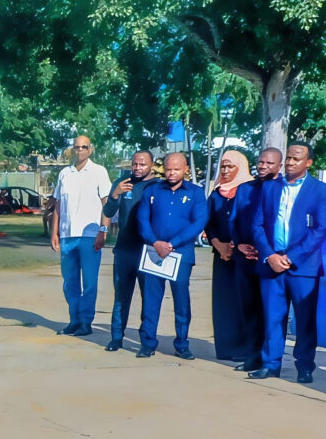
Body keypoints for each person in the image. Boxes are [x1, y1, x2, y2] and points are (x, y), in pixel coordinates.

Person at [249, 143, 326, 383]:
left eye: (297, 159)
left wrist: (291, 257)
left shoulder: (321, 190)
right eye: (288, 158)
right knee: (273, 317)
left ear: (308, 163)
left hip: (302, 267)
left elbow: (321, 229)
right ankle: (271, 363)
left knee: (304, 320)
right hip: (271, 263)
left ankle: (304, 366)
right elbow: (256, 225)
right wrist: (270, 255)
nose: (290, 163)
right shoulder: (269, 188)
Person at [135, 152, 206, 359]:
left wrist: (173, 243)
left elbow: (199, 222)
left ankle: (182, 344)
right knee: (150, 299)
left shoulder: (196, 193)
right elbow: (143, 220)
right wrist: (155, 242)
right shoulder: (153, 190)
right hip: (154, 252)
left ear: (185, 170)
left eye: (176, 169)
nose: (171, 173)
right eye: (168, 169)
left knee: (181, 300)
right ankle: (147, 343)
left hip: (180, 254)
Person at [49, 134, 110, 336]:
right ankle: (74, 320)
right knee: (70, 282)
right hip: (67, 236)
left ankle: (86, 322)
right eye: (77, 147)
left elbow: (106, 205)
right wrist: (54, 232)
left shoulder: (99, 172)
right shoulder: (64, 173)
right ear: (72, 150)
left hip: (90, 235)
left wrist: (103, 230)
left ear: (90, 149)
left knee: (90, 282)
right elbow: (58, 205)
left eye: (84, 147)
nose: (80, 150)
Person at [227, 148, 282, 370]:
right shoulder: (244, 189)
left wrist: (267, 251)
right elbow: (234, 220)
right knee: (248, 307)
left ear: (279, 166)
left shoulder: (282, 188)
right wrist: (239, 243)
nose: (262, 166)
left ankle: (269, 356)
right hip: (246, 257)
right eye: (260, 162)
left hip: (270, 258)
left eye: (269, 163)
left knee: (268, 310)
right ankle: (253, 354)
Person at [205, 149, 258, 365]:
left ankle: (247, 349)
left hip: (246, 256)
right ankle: (226, 348)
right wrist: (219, 245)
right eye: (223, 167)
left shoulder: (251, 190)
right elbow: (208, 223)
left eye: (230, 166)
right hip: (222, 257)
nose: (225, 171)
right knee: (224, 302)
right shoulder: (216, 194)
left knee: (244, 301)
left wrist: (237, 245)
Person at [101, 151, 158, 352]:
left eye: (142, 164)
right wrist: (115, 194)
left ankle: (147, 342)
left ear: (152, 165)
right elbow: (108, 212)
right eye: (134, 164)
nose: (137, 168)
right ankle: (116, 337)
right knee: (121, 297)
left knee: (148, 298)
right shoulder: (122, 182)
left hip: (148, 250)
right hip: (124, 250)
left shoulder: (157, 186)